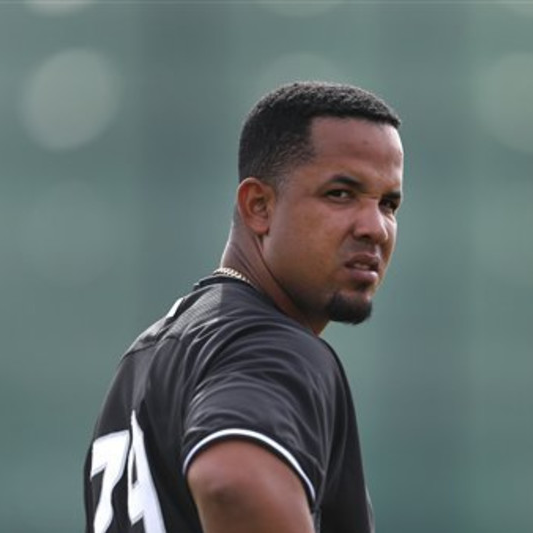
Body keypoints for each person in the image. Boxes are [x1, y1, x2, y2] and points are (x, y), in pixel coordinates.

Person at [83, 81, 404, 533]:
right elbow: (230, 482)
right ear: (259, 206)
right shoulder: (269, 345)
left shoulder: (152, 355)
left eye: (388, 203)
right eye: (341, 193)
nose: (376, 228)